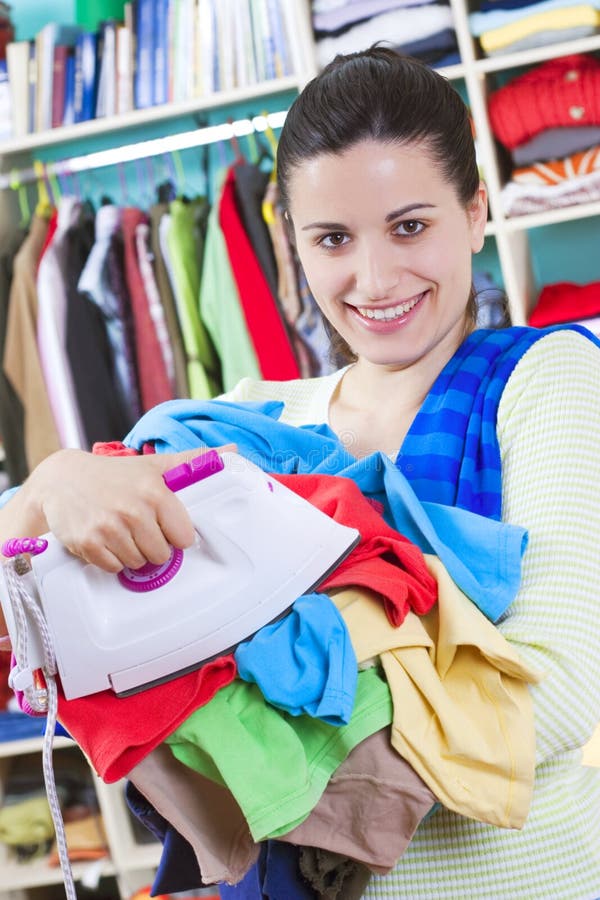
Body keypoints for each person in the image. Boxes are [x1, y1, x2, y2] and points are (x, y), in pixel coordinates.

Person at [2, 45, 600, 898]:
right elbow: (37, 579)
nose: (375, 277)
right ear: (293, 244)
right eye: (333, 239)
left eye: (410, 225)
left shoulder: (547, 377)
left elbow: (563, 690)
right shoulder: (255, 416)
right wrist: (53, 480)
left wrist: (261, 739)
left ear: (475, 213)